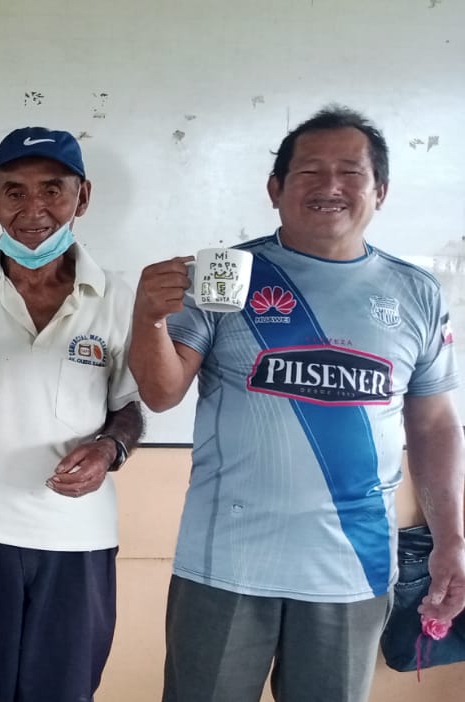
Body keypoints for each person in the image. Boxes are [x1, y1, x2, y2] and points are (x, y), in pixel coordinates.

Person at [129, 105, 465, 702]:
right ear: (275, 189)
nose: (330, 186)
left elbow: (434, 423)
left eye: (351, 172)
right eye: (309, 171)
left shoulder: (416, 293)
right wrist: (150, 317)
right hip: (225, 564)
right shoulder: (226, 276)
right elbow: (161, 392)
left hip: (353, 570)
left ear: (380, 191)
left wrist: (451, 540)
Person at [0, 127, 144, 701]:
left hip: (75, 535)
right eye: (14, 192)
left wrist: (110, 449)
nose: (33, 209)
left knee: (64, 690)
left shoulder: (117, 295)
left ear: (82, 197)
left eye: (52, 190)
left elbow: (129, 408)